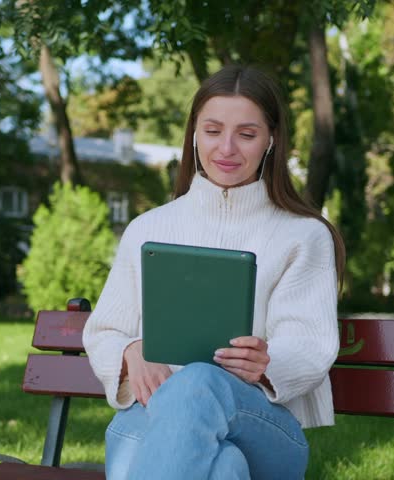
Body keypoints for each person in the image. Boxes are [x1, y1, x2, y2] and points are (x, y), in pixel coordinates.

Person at [83, 64, 346, 480]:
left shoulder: (304, 236)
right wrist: (131, 350)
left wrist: (266, 362)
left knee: (199, 382)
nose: (226, 148)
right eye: (212, 130)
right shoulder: (147, 229)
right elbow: (104, 332)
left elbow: (311, 343)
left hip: (264, 429)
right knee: (224, 469)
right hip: (153, 420)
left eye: (246, 134)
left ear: (271, 140)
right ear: (193, 133)